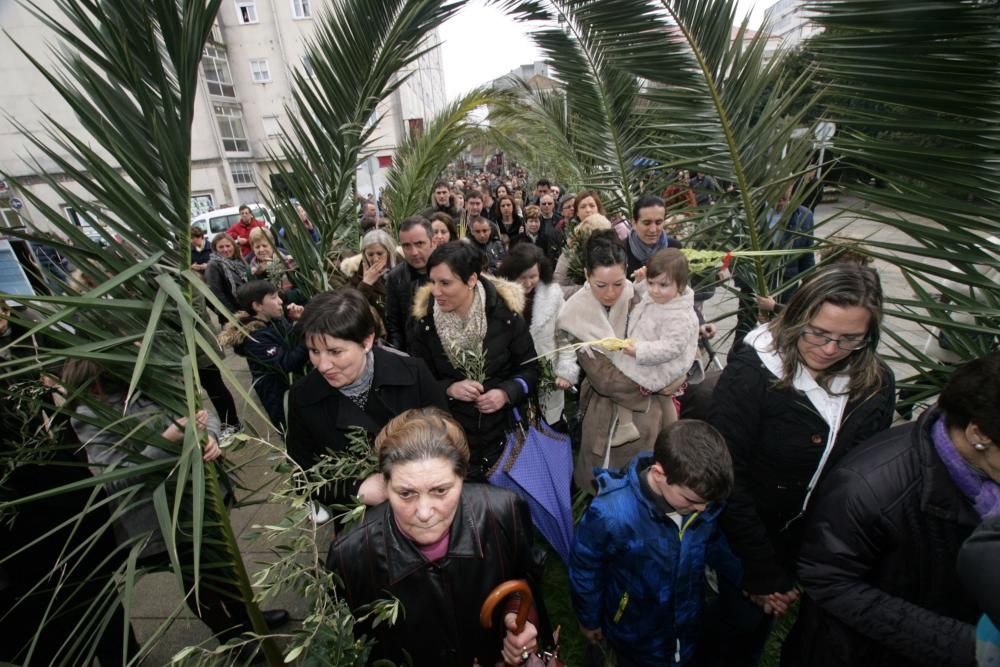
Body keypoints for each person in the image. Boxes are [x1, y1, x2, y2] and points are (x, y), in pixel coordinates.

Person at [701, 263, 896, 665]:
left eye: (849, 340)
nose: (829, 349)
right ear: (797, 316)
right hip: (746, 538)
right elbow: (727, 471)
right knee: (737, 627)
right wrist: (761, 570)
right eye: (819, 333)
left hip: (814, 544)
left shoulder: (876, 383)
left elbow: (865, 475)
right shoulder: (754, 370)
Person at [785, 351, 999, 666]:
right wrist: (962, 644)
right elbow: (829, 582)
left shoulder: (985, 476)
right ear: (978, 433)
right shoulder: (868, 487)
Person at [60, 359, 289, 646]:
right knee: (199, 581)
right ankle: (231, 636)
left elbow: (202, 413)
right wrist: (166, 441)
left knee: (224, 562)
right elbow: (116, 478)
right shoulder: (90, 414)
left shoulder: (149, 383)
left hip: (200, 495)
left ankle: (250, 617)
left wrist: (212, 437)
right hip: (163, 515)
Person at [327, 407, 540, 665]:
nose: (425, 513)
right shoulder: (352, 555)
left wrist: (520, 616)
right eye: (406, 493)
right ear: (386, 485)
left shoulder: (504, 512)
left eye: (440, 490)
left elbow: (525, 577)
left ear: (462, 477)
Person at [570, 420, 737, 666]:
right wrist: (589, 619)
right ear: (659, 475)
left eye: (707, 502)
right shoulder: (612, 513)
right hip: (633, 635)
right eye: (692, 500)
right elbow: (586, 568)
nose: (702, 509)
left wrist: (750, 579)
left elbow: (715, 545)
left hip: (685, 627)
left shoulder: (698, 501)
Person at [284, 289, 447, 507]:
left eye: (335, 352)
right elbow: (302, 475)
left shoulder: (412, 373)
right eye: (314, 351)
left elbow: (448, 438)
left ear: (367, 341)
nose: (322, 366)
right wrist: (355, 490)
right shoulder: (303, 397)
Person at [556, 230, 683, 492]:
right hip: (608, 415)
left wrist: (677, 369)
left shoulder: (639, 295)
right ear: (586, 274)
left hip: (652, 417)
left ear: (626, 270)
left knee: (649, 488)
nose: (611, 293)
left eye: (617, 283)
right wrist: (659, 382)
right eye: (600, 285)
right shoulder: (576, 314)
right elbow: (605, 379)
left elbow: (674, 340)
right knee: (611, 488)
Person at [408, 241, 538, 480]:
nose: (436, 291)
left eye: (445, 283)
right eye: (433, 282)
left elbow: (530, 370)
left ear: (471, 280)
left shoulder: (506, 317)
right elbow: (417, 381)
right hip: (449, 440)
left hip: (503, 437)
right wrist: (449, 388)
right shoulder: (424, 325)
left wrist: (506, 394)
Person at [612, 248, 700, 446]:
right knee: (665, 397)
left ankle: (626, 425)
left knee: (620, 377)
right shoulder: (665, 298)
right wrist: (643, 282)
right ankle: (672, 433)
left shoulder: (680, 315)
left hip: (662, 362)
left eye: (663, 285)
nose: (655, 290)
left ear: (681, 285)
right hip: (660, 360)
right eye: (652, 283)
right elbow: (647, 297)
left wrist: (639, 351)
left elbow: (670, 347)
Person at [497, 243, 578, 428]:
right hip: (513, 381)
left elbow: (566, 337)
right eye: (521, 278)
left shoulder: (553, 295)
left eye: (533, 276)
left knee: (550, 430)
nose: (527, 283)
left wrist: (566, 370)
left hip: (549, 382)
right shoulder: (498, 299)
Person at [218, 280, 307, 429]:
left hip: (292, 389)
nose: (280, 301)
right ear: (257, 306)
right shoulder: (254, 338)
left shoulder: (273, 319)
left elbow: (288, 342)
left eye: (278, 295)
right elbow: (287, 362)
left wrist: (297, 321)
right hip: (278, 396)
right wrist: (308, 336)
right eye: (273, 297)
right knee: (293, 431)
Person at [384, 216, 433, 351]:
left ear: (432, 242)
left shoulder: (450, 270)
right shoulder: (395, 277)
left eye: (419, 244)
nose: (414, 252)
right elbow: (394, 324)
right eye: (406, 246)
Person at [625, 194, 682, 278]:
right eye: (647, 223)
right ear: (634, 223)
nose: (653, 229)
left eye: (658, 223)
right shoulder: (621, 250)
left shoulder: (674, 248)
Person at [345, 228, 397, 321]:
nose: (375, 259)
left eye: (380, 253)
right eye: (370, 254)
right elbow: (352, 310)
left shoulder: (401, 267)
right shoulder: (357, 275)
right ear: (364, 255)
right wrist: (366, 283)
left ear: (389, 252)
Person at [204, 233, 247, 319]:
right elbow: (217, 294)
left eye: (228, 246)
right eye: (221, 247)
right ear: (215, 249)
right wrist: (233, 314)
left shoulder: (238, 261)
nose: (225, 249)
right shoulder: (214, 265)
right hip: (233, 315)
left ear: (233, 246)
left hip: (246, 309)